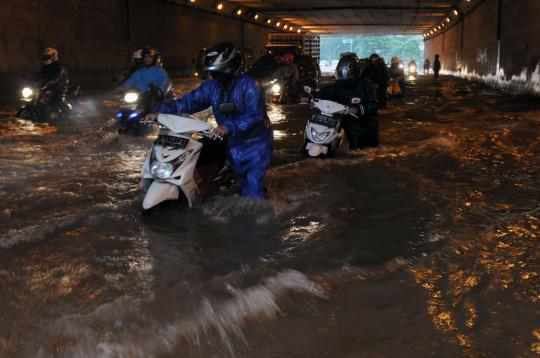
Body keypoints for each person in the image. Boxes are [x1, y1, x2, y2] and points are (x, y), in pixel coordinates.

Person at [145, 42, 272, 199]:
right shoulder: (211, 86)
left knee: (252, 190)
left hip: (254, 142)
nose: (218, 75)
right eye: (214, 72)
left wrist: (228, 127)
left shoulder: (250, 86)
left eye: (222, 70)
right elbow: (187, 102)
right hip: (225, 136)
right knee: (193, 156)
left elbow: (256, 116)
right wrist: (159, 113)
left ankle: (258, 208)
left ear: (234, 65)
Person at [317, 54, 378, 153]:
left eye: (346, 71)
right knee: (354, 150)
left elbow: (374, 104)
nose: (343, 74)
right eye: (341, 71)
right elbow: (325, 92)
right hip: (349, 123)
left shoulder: (366, 84)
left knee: (366, 152)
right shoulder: (338, 85)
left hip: (367, 124)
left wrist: (358, 109)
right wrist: (310, 96)